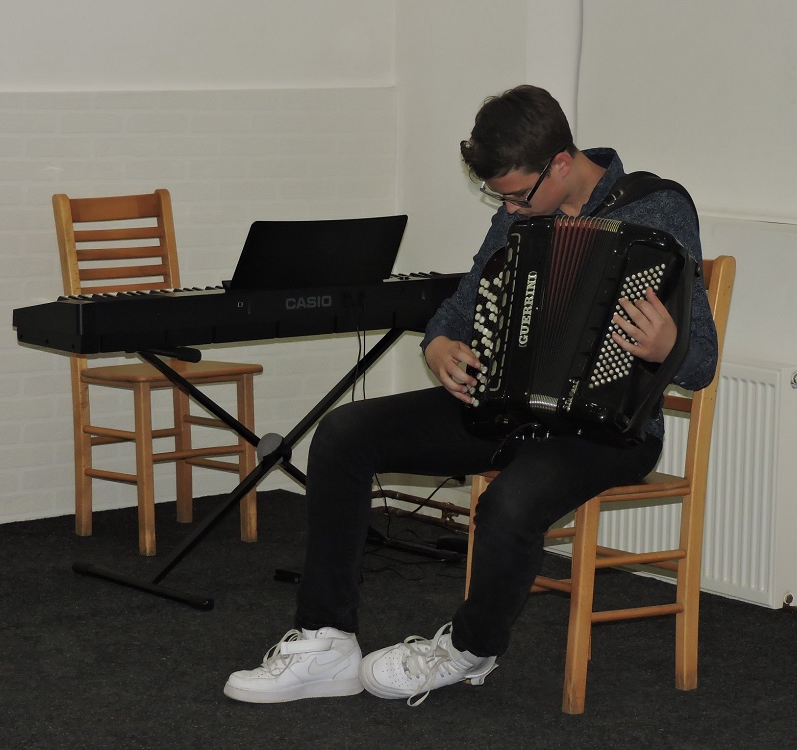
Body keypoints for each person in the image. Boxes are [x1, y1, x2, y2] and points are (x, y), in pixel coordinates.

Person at [223, 84, 718, 706]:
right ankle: (328, 642)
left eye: (516, 194)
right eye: (498, 196)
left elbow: (702, 363)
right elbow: (459, 308)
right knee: (345, 434)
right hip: (508, 409)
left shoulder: (658, 211)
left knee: (511, 501)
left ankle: (468, 649)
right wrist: (437, 345)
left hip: (609, 428)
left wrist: (667, 346)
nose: (507, 209)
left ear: (560, 164)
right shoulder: (517, 220)